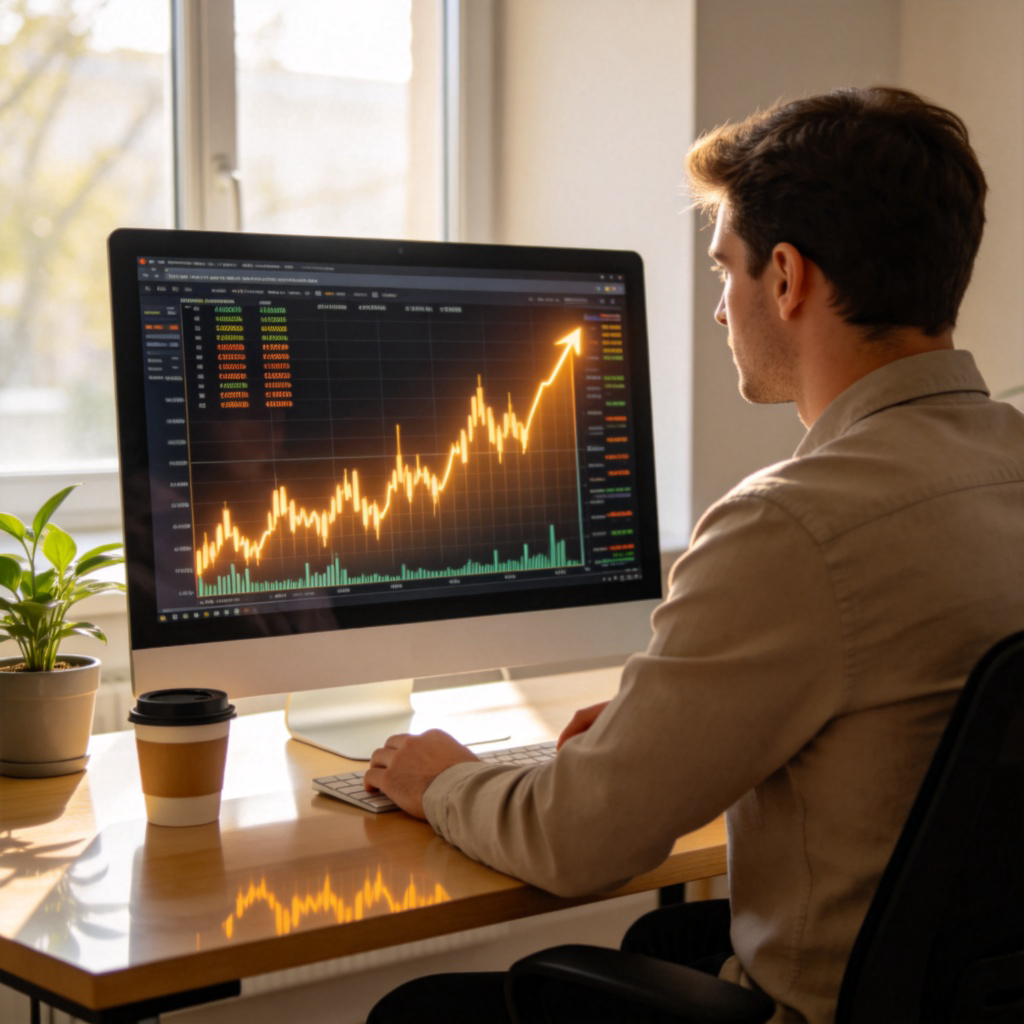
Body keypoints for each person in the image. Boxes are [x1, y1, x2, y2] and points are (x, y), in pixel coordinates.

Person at [364, 86, 1024, 1024]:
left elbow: (579, 846)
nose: (720, 311)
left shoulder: (792, 527)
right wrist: (665, 730)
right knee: (663, 943)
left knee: (424, 1010)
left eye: (727, 271)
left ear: (788, 278)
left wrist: (444, 782)